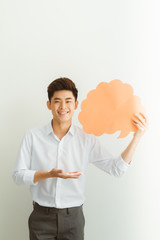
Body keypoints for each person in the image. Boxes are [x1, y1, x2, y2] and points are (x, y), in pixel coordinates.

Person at [12, 77, 148, 240]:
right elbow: (18, 176)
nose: (63, 107)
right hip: (41, 219)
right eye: (57, 101)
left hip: (73, 220)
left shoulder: (86, 139)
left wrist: (137, 137)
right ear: (49, 105)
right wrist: (49, 174)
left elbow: (116, 169)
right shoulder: (33, 136)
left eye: (68, 101)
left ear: (76, 105)